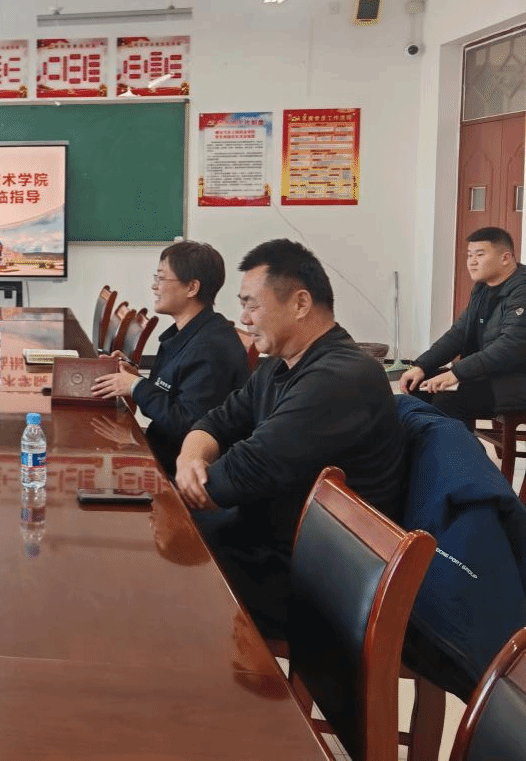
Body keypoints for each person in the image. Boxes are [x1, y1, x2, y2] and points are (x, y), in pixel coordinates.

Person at [173, 239, 406, 638]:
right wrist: (187, 459)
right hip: (268, 542)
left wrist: (183, 485)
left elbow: (238, 475)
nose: (243, 318)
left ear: (300, 303)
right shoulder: (280, 365)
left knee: (160, 576)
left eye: (251, 304)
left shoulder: (338, 378)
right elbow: (215, 421)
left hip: (315, 582)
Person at [93, 240, 250, 476]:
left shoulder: (211, 348)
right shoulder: (187, 333)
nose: (154, 286)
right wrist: (134, 376)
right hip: (161, 448)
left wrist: (136, 387)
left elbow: (188, 426)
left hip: (180, 470)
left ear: (192, 288)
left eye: (162, 278)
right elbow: (174, 395)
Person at [399, 226, 526, 430]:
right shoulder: (482, 288)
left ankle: (460, 449)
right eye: (469, 255)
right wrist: (421, 366)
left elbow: (511, 346)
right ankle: (428, 447)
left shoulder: (522, 290)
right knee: (418, 388)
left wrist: (457, 373)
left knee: (448, 400)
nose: (472, 262)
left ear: (505, 258)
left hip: (515, 381)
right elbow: (458, 333)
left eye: (480, 255)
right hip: (490, 375)